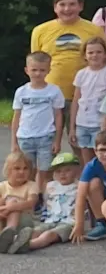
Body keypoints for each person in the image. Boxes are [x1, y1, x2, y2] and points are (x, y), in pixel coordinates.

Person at [34, 0, 105, 109]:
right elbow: (35, 64)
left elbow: (103, 60)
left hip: (86, 94)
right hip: (49, 93)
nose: (67, 9)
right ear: (55, 7)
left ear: (81, 6)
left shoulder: (95, 30)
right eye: (62, 4)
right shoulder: (40, 31)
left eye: (72, 4)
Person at [13, 51, 66, 185]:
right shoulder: (21, 92)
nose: (37, 73)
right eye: (34, 70)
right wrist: (14, 142)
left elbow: (58, 116)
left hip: (46, 137)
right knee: (27, 172)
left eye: (42, 70)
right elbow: (16, 117)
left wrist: (57, 140)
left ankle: (43, 198)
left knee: (46, 171)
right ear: (27, 70)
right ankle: (30, 198)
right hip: (25, 138)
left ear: (48, 70)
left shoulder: (54, 91)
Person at [11, 151, 79, 254]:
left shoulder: (79, 186)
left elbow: (84, 206)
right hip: (49, 220)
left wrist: (80, 225)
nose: (62, 174)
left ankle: (29, 245)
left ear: (76, 171)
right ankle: (13, 241)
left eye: (67, 170)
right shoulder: (50, 186)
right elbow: (45, 203)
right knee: (35, 231)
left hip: (69, 222)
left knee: (49, 235)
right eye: (58, 171)